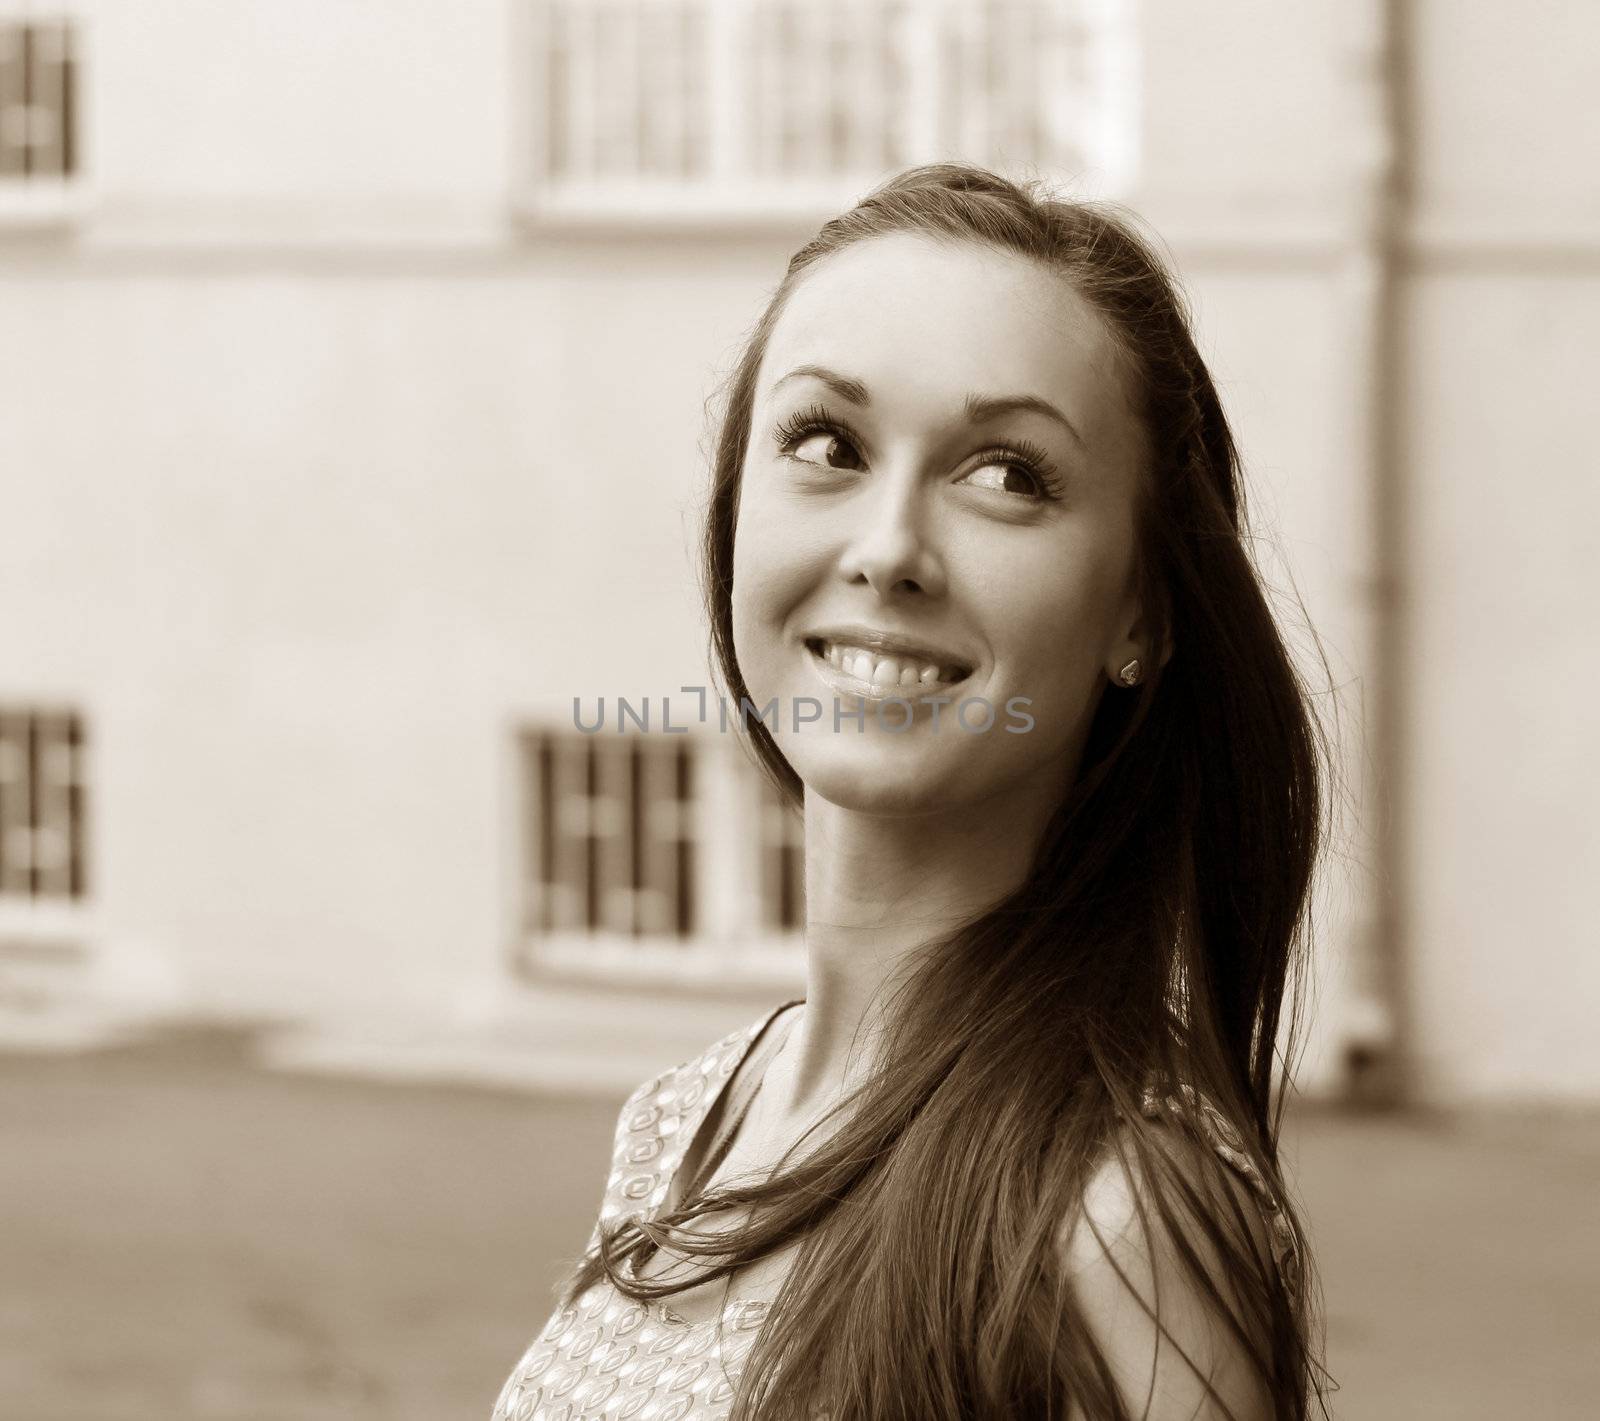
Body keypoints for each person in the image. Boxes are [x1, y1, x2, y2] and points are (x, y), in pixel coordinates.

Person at [492, 162, 1333, 1421]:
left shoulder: (1114, 1205)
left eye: (1005, 475)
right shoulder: (687, 1118)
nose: (887, 548)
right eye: (826, 444)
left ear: (1141, 612)